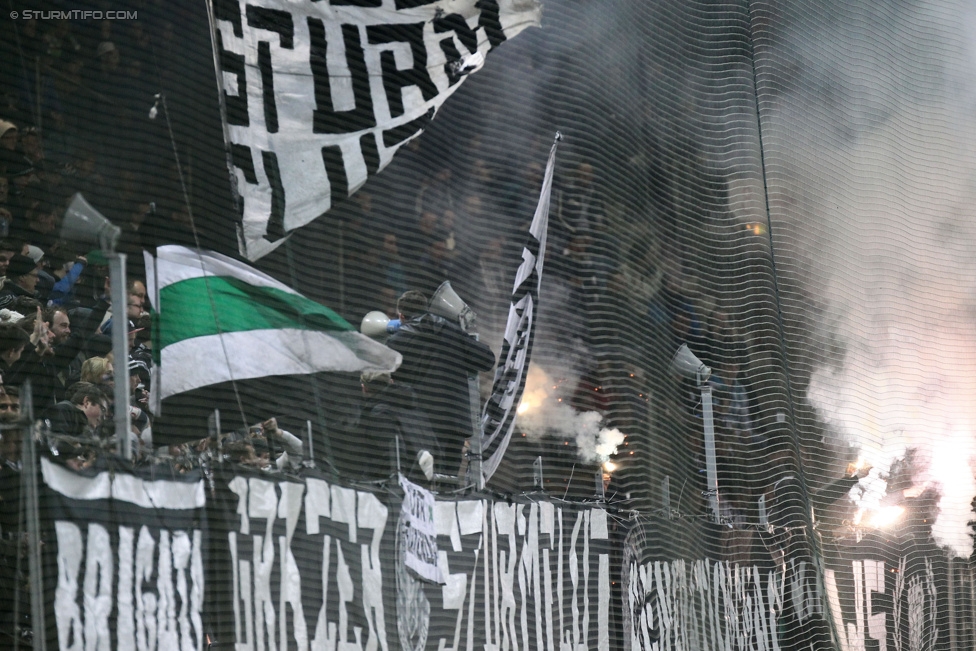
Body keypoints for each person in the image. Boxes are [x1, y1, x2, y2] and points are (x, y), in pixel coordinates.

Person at [385, 290, 495, 476]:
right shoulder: (452, 330)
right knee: (449, 481)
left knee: (424, 481)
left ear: (401, 315)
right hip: (454, 422)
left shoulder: (396, 341)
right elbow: (487, 360)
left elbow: (389, 380)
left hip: (422, 425)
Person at [358, 370, 440, 482]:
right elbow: (437, 451)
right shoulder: (419, 413)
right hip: (424, 489)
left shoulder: (380, 413)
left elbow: (391, 458)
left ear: (364, 388)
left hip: (397, 490)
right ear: (391, 382)